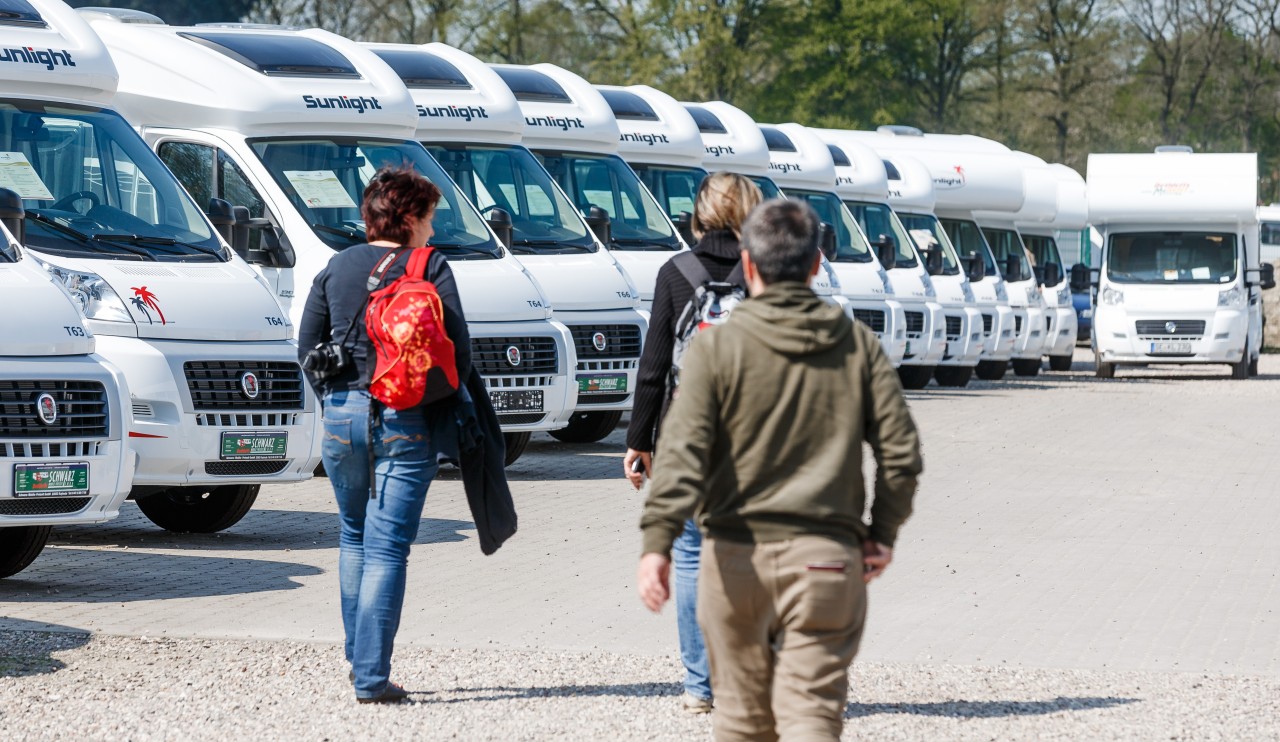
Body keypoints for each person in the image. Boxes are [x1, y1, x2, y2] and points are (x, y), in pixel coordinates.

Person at [637, 199, 923, 740]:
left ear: (748, 265)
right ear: (817, 264)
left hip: (733, 562)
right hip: (826, 562)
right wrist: (881, 533)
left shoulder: (715, 348)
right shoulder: (857, 345)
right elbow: (901, 454)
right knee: (812, 714)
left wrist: (657, 544)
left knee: (742, 719)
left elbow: (680, 454)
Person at [298, 166, 470, 704]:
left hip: (343, 416)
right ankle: (372, 677)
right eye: (430, 219)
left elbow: (307, 344)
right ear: (410, 218)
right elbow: (457, 350)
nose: (433, 231)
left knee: (354, 536)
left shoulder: (336, 265)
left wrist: (335, 401)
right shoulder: (428, 264)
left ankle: (359, 661)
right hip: (406, 418)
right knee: (388, 547)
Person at [624, 172, 762, 714]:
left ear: (699, 214)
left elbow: (654, 366)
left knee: (687, 554)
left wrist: (639, 441)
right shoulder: (766, 270)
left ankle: (699, 687)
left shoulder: (675, 271)